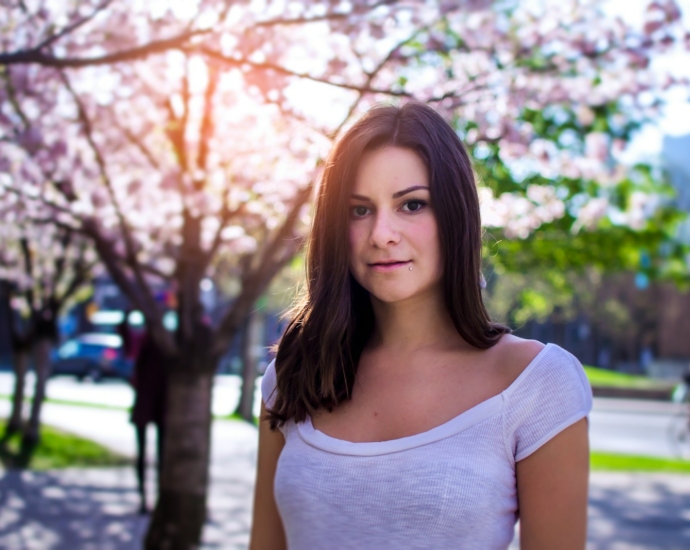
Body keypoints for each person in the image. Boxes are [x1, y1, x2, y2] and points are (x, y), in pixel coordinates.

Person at [250, 103, 592, 549]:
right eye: (359, 210)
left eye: (412, 204)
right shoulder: (294, 376)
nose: (381, 234)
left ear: (455, 215)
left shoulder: (537, 385)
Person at [129, 330, 168, 514]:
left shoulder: (165, 342)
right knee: (147, 455)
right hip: (151, 404)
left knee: (161, 455)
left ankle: (156, 498)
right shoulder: (147, 339)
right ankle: (144, 497)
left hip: (159, 405)